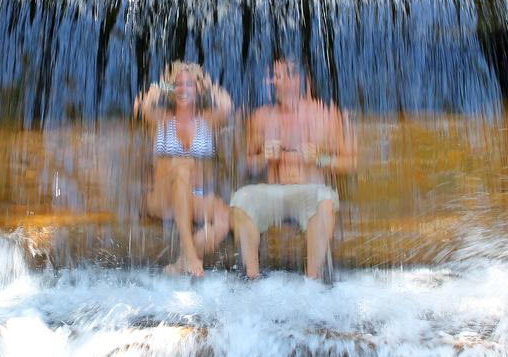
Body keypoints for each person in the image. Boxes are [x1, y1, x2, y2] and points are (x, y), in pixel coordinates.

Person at [230, 57, 355, 280]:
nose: (270, 82)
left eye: (276, 76)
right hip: (273, 192)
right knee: (241, 200)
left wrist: (321, 159)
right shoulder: (261, 117)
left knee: (324, 203)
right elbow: (245, 164)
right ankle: (252, 279)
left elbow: (351, 162)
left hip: (311, 191)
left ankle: (312, 280)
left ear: (296, 79)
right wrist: (262, 158)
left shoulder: (324, 114)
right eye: (271, 76)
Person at [135, 61, 233, 276]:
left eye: (189, 85)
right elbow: (142, 105)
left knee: (224, 216)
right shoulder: (160, 119)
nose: (183, 89)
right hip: (162, 197)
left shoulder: (207, 120)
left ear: (197, 89)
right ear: (171, 89)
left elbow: (226, 105)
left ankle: (181, 262)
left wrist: (206, 83)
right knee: (181, 170)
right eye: (178, 85)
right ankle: (190, 251)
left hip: (193, 197)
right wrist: (163, 83)